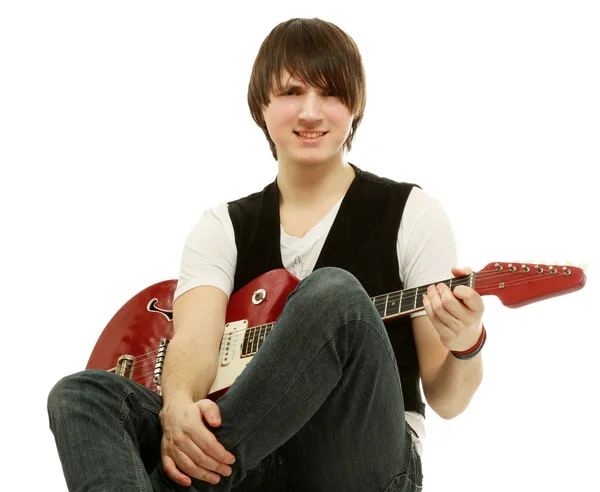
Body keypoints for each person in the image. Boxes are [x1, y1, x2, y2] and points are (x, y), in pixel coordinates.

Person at [48, 17, 486, 491]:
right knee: (81, 394)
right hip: (255, 464)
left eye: (332, 94)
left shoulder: (412, 214)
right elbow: (194, 341)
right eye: (292, 92)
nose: (311, 113)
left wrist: (466, 342)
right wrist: (176, 408)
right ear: (262, 106)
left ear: (355, 106)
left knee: (335, 294)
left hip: (359, 461)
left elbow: (447, 400)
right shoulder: (222, 227)